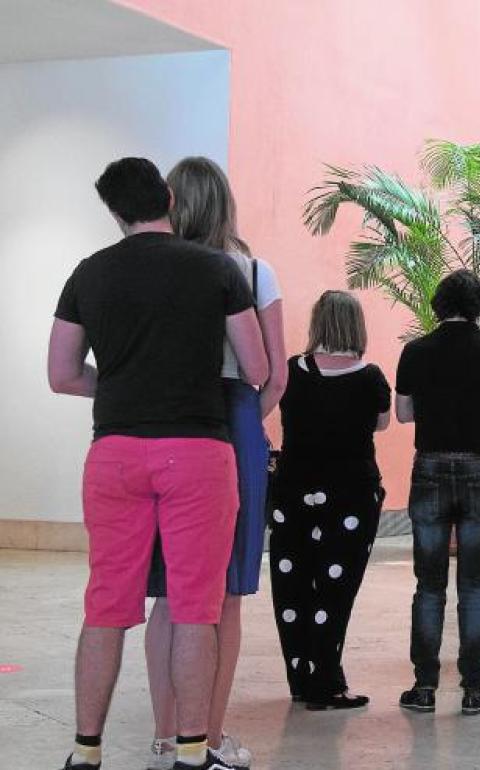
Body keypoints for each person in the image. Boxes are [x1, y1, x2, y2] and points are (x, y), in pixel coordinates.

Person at [49, 157, 267, 770]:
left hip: (115, 452)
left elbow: (61, 374)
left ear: (115, 213)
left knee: (106, 607)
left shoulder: (88, 273)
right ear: (168, 198)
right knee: (195, 606)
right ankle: (191, 753)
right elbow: (255, 368)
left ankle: (86, 752)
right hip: (198, 452)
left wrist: (122, 385)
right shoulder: (218, 269)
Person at [143, 156, 287, 769]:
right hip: (234, 420)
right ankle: (209, 735)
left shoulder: (155, 270)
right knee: (224, 595)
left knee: (169, 595)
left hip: (165, 423)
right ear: (226, 203)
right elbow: (273, 374)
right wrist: (247, 420)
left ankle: (164, 735)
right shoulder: (252, 271)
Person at [396, 271, 480, 716]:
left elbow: (403, 414)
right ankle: (474, 689)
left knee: (429, 584)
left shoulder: (415, 351)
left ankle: (424, 686)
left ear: (439, 303)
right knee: (476, 584)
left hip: (430, 466)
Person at [268, 291, 390, 711]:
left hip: (292, 490)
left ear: (317, 322)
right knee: (335, 589)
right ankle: (326, 680)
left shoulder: (291, 371)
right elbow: (380, 424)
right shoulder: (371, 377)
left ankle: (301, 678)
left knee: (292, 586)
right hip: (351, 492)